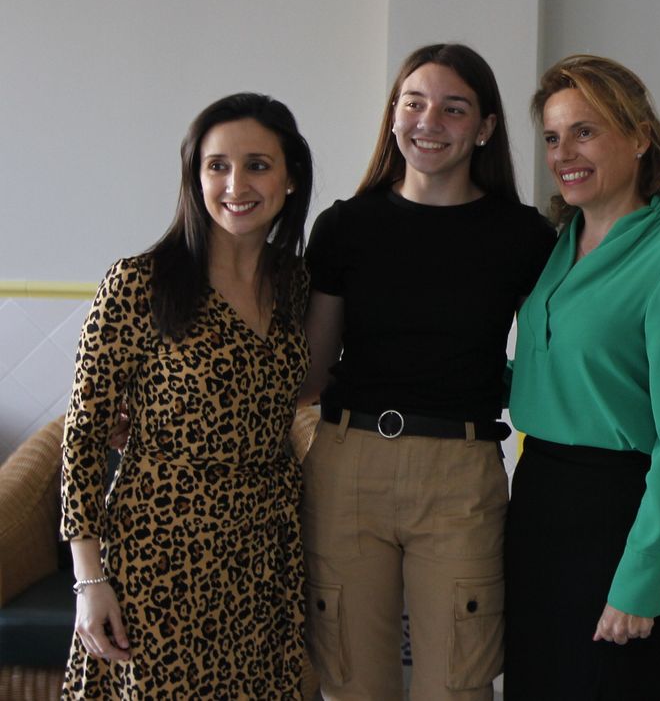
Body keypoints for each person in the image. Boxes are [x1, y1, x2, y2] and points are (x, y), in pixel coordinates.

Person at [298, 43, 556, 701]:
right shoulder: (344, 226)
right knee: (354, 682)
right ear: (392, 117)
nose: (429, 121)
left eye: (453, 108)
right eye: (413, 103)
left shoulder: (523, 236)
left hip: (461, 473)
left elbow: (554, 357)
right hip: (348, 463)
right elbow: (311, 371)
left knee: (458, 685)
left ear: (485, 128)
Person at [60, 94, 314, 698]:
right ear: (194, 175)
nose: (236, 184)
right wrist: (89, 580)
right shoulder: (139, 282)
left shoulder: (295, 283)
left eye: (257, 164)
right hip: (158, 550)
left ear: (289, 177)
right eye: (217, 165)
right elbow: (84, 435)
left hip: (263, 551)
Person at [504, 54, 660, 699]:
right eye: (551, 137)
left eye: (585, 131)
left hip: (621, 516)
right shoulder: (562, 242)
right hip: (542, 500)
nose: (563, 152)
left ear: (639, 136)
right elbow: (562, 375)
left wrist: (642, 575)